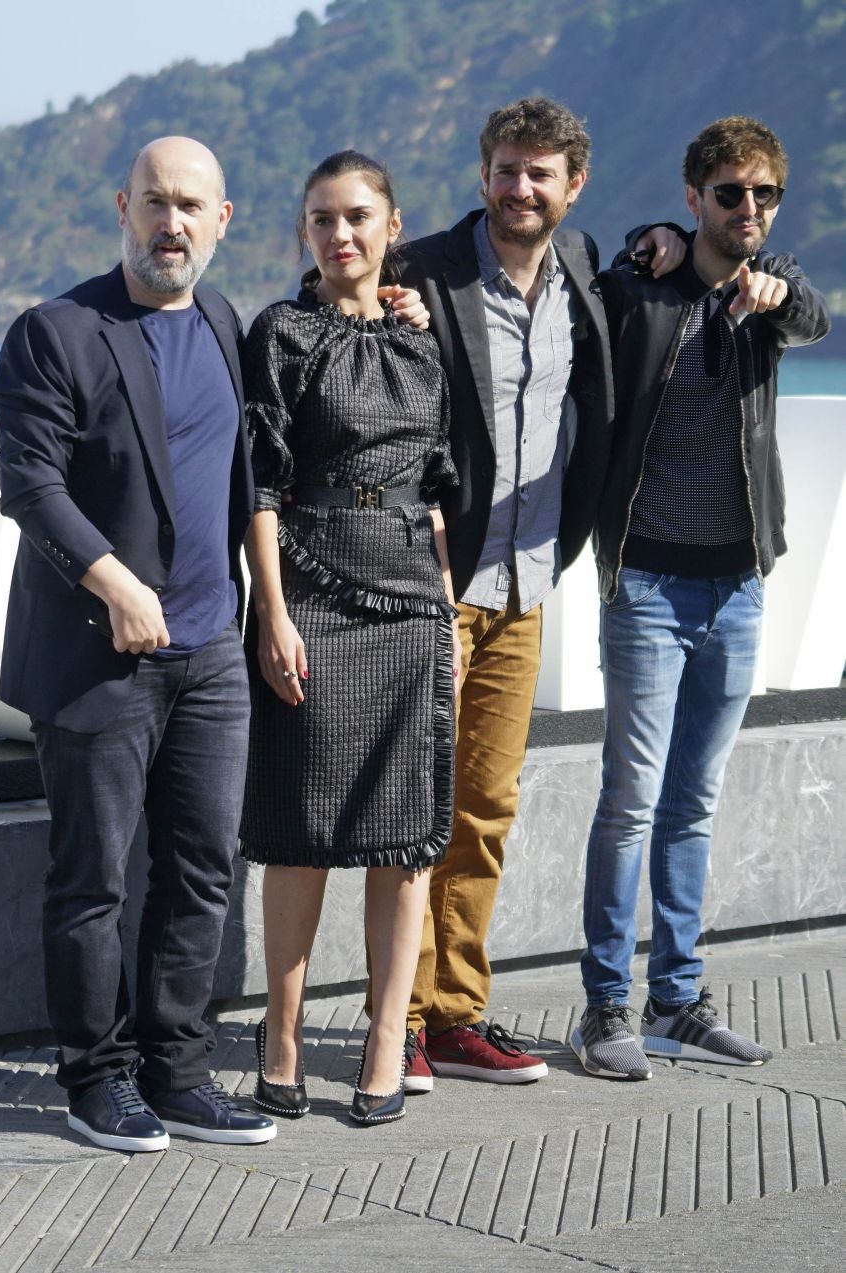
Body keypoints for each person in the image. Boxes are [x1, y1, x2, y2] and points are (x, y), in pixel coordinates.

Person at [379, 97, 684, 1091]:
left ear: (572, 185)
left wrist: (676, 236)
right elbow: (325, 309)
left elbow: (659, 280)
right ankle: (403, 1019)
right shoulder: (421, 269)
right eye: (506, 169)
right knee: (414, 813)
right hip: (432, 586)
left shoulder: (588, 270)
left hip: (526, 584)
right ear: (484, 173)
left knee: (486, 810)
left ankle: (459, 1013)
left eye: (539, 174)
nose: (520, 189)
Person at [0, 136, 278, 1151]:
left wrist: (267, 612)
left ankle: (179, 1072)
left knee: (201, 869)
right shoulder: (55, 332)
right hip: (96, 657)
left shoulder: (224, 320)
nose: (172, 222)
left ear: (222, 219)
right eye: (155, 202)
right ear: (124, 206)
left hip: (210, 655)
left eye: (192, 205)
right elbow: (30, 484)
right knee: (95, 880)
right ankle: (97, 1080)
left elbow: (244, 477)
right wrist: (112, 581)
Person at [571, 116, 830, 1080]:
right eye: (731, 193)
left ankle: (677, 998)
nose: (749, 209)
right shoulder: (648, 287)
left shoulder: (775, 296)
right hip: (645, 582)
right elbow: (596, 282)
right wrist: (658, 245)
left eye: (764, 194)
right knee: (631, 798)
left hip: (737, 587)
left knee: (695, 802)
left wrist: (773, 291)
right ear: (694, 196)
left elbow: (812, 315)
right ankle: (604, 1006)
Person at [241, 150, 459, 1125]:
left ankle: (383, 1036)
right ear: (304, 232)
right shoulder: (280, 334)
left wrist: (448, 606)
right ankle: (280, 1031)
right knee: (300, 829)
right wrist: (271, 610)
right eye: (323, 218)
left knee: (404, 839)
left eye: (358, 216)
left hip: (412, 596)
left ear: (391, 225)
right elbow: (258, 482)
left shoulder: (422, 338)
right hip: (316, 588)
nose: (341, 234)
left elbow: (438, 484)